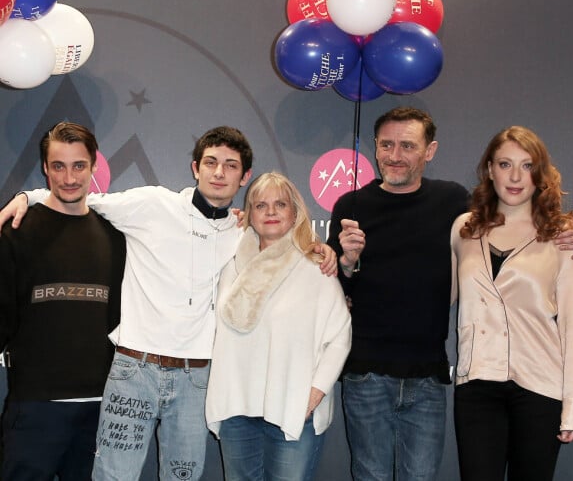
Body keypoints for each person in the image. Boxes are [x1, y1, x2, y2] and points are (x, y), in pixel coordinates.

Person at [0, 126, 336, 481]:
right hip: (134, 370)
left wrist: (320, 248)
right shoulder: (152, 203)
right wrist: (27, 196)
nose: (219, 172)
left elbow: (283, 243)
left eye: (230, 165)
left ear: (245, 177)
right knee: (113, 477)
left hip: (197, 379)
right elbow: (79, 198)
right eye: (210, 162)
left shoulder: (243, 234)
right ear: (195, 167)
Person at [328, 107, 470, 481]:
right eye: (386, 144)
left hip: (428, 374)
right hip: (366, 372)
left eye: (408, 145)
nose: (394, 155)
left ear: (430, 150)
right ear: (375, 147)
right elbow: (335, 290)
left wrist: (557, 232)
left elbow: (504, 231)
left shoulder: (454, 201)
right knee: (370, 475)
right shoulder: (350, 206)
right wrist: (347, 261)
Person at [451, 126, 573, 481]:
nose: (515, 176)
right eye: (505, 164)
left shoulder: (563, 235)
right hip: (476, 386)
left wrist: (572, 409)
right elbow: (442, 296)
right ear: (489, 169)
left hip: (539, 389)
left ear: (540, 174)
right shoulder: (465, 229)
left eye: (526, 166)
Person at [0, 122, 126, 480]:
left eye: (78, 166)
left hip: (100, 409)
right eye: (58, 166)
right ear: (45, 168)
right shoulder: (17, 231)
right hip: (35, 407)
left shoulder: (116, 236)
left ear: (93, 167)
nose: (69, 177)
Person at [205, 172, 351, 481]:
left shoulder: (315, 266)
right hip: (236, 409)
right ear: (249, 214)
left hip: (292, 408)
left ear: (295, 212)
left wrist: (314, 393)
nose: (270, 212)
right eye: (261, 205)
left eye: (280, 204)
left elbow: (339, 337)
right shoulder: (228, 263)